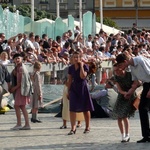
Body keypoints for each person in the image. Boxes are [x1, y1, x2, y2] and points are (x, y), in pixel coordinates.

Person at [116, 53, 150, 143]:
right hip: (146, 85)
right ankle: (146, 135)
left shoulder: (140, 60)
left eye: (120, 65)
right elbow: (136, 83)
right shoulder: (132, 68)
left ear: (125, 61)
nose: (120, 67)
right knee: (142, 108)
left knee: (144, 108)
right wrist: (129, 93)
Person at [67, 51, 94, 135]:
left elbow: (83, 76)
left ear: (80, 58)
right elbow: (70, 80)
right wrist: (68, 90)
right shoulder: (71, 68)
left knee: (85, 108)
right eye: (74, 57)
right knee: (72, 108)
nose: (75, 59)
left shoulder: (85, 66)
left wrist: (81, 65)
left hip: (83, 87)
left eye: (77, 57)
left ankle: (87, 126)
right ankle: (73, 128)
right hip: (74, 88)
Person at [112, 63, 138, 143]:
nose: (116, 72)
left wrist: (129, 93)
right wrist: (124, 93)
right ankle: (122, 134)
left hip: (131, 96)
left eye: (117, 70)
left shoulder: (130, 75)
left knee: (124, 115)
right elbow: (119, 89)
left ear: (121, 68)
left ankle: (127, 134)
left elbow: (136, 84)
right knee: (119, 116)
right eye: (114, 70)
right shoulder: (116, 77)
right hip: (122, 96)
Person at [10, 53, 32, 130]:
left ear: (21, 59)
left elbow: (20, 82)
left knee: (17, 106)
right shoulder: (18, 67)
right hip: (22, 89)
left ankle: (20, 123)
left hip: (21, 89)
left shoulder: (21, 68)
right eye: (15, 58)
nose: (17, 60)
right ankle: (26, 124)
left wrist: (13, 88)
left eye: (18, 58)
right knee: (22, 106)